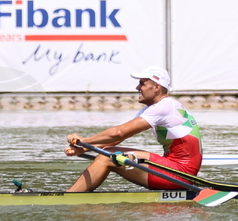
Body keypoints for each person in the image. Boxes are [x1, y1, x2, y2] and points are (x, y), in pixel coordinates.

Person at [64, 66, 203, 192]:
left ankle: (69, 197)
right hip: (173, 169)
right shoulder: (155, 108)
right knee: (109, 152)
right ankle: (73, 195)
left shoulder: (164, 106)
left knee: (108, 156)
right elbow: (116, 139)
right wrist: (84, 148)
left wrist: (84, 140)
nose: (138, 87)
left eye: (142, 83)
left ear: (156, 87)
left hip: (180, 173)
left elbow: (119, 132)